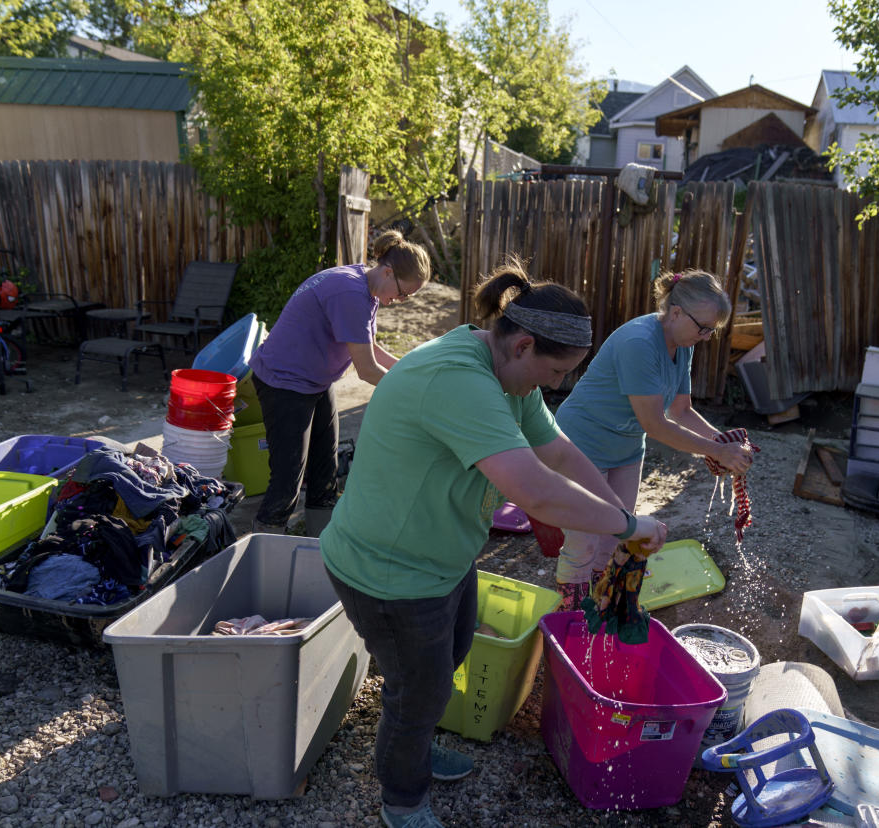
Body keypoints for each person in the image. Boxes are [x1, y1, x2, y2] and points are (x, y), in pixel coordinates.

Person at [320, 261, 667, 828]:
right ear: (524, 343)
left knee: (450, 657)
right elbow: (535, 489)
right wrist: (626, 529)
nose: (554, 386)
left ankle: (417, 739)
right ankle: (402, 801)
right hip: (387, 571)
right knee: (417, 694)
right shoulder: (458, 379)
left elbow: (555, 451)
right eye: (554, 372)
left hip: (441, 558)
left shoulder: (505, 370)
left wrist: (622, 511)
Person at [552, 268, 755, 610]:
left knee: (618, 531)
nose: (706, 336)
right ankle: (570, 614)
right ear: (675, 312)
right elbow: (656, 424)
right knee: (583, 540)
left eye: (712, 331)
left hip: (626, 447)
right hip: (583, 442)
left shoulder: (683, 341)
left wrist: (726, 444)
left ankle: (598, 606)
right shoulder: (639, 342)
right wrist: (718, 451)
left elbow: (681, 410)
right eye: (703, 327)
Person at [247, 230, 430, 535]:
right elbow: (367, 370)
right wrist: (414, 394)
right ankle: (265, 544)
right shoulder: (350, 293)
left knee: (325, 469)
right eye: (403, 293)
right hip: (284, 383)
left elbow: (370, 347)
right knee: (288, 476)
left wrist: (409, 370)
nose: (399, 301)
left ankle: (322, 545)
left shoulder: (367, 285)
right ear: (388, 271)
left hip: (314, 382)